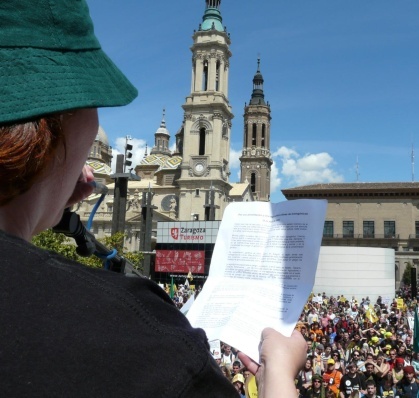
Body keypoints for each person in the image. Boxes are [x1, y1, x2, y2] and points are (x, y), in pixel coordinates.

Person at [0, 0, 307, 396]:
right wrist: (278, 376)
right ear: (59, 124)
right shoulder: (147, 338)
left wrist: (49, 202)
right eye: (91, 101)